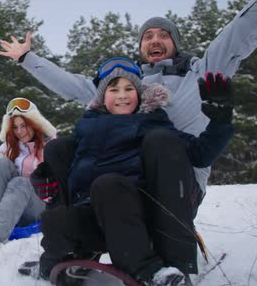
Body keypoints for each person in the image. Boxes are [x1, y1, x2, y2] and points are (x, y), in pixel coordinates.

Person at [0, 0, 257, 276]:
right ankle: (71, 245)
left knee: (159, 140)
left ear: (175, 44)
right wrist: (28, 58)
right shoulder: (126, 89)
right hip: (121, 188)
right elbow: (72, 85)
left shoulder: (201, 73)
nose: (155, 40)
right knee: (62, 149)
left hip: (177, 184)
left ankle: (174, 260)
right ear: (140, 48)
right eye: (148, 36)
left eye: (163, 35)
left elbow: (241, 31)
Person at [25, 57, 234, 285]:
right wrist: (43, 177)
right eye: (114, 89)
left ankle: (148, 272)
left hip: (132, 213)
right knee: (56, 203)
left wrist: (220, 123)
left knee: (108, 185)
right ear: (103, 96)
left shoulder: (151, 121)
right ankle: (56, 261)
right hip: (91, 212)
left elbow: (200, 153)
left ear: (140, 93)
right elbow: (71, 163)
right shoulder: (88, 123)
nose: (122, 95)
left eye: (129, 89)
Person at [0, 97, 57, 252]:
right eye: (15, 127)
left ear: (34, 122)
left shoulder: (52, 146)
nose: (19, 131)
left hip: (41, 207)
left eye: (24, 125)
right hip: (11, 207)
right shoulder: (10, 146)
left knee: (20, 182)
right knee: (2, 164)